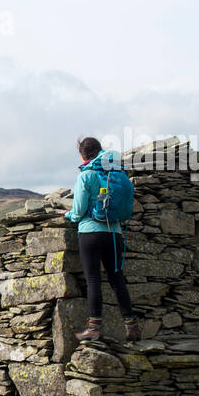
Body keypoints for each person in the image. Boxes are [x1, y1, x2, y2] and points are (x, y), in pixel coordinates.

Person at [65, 136, 140, 342]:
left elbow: (78, 210)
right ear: (100, 151)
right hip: (114, 233)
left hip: (90, 233)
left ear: (82, 154)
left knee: (93, 280)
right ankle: (132, 326)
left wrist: (68, 215)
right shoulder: (115, 173)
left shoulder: (86, 176)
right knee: (117, 279)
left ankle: (94, 328)